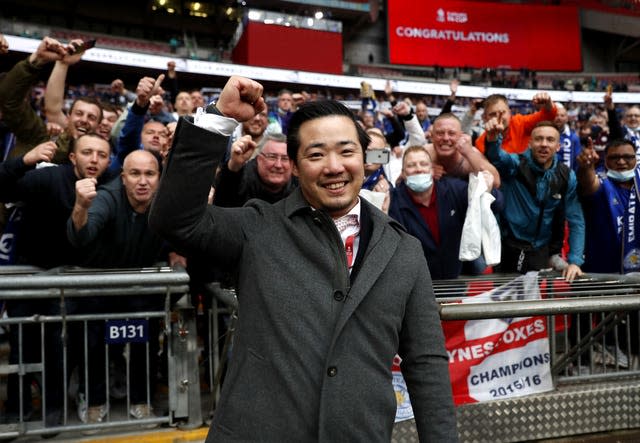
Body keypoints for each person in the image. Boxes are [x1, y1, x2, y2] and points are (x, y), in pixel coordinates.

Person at [149, 75, 458, 442]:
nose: (333, 166)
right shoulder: (257, 228)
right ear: (295, 166)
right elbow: (174, 221)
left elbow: (426, 362)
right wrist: (221, 118)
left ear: (366, 158)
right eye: (315, 154)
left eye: (346, 152)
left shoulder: (404, 250)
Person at [0, 134, 114, 429]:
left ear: (109, 161)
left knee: (56, 346)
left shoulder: (110, 185)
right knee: (22, 343)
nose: (94, 159)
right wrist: (25, 160)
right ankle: (17, 407)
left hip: (69, 278)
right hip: (30, 274)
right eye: (87, 152)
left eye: (101, 155)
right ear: (73, 158)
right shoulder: (49, 178)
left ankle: (54, 410)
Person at [67, 150, 167, 426]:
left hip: (139, 289)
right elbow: (81, 235)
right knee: (93, 347)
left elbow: (182, 233)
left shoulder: (163, 202)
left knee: (144, 345)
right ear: (123, 178)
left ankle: (142, 399)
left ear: (159, 178)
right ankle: (94, 400)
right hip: (99, 288)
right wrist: (81, 207)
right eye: (135, 174)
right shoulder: (108, 197)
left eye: (150, 174)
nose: (143, 181)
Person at [484, 120, 585, 281]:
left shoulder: (566, 176)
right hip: (507, 247)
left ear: (558, 146)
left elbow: (576, 220)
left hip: (540, 250)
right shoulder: (515, 164)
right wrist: (492, 138)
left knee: (533, 303)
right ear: (530, 143)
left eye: (550, 140)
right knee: (503, 302)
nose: (544, 144)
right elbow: (497, 157)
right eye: (538, 139)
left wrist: (575, 261)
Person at [388, 146, 502, 280]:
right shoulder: (393, 201)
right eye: (411, 165)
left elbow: (498, 205)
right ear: (403, 173)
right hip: (415, 282)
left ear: (432, 170)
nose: (418, 169)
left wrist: (487, 191)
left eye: (424, 164)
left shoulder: (453, 189)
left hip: (453, 280)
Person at [0, 37, 103, 162]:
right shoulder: (42, 137)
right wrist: (38, 59)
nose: (84, 120)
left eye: (92, 117)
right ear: (68, 118)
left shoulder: (101, 159)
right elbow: (9, 100)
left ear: (98, 126)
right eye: (79, 114)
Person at [577, 138, 640, 273]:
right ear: (605, 160)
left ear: (636, 159)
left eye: (627, 157)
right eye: (614, 157)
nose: (621, 162)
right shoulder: (601, 181)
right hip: (604, 270)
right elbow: (588, 183)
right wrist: (586, 167)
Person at [214, 132, 296, 207]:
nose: (278, 165)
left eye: (285, 159)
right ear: (259, 159)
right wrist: (234, 166)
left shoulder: (299, 187)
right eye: (272, 157)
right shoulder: (242, 179)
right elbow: (222, 201)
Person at [427, 113, 501, 187]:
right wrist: (425, 172)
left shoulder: (469, 154)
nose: (446, 138)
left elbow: (495, 182)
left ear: (460, 136)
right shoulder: (425, 153)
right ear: (432, 137)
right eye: (440, 133)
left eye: (451, 133)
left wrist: (469, 153)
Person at [475, 92, 557, 155]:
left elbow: (548, 116)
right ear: (485, 118)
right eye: (493, 114)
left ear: (510, 113)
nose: (498, 117)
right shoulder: (480, 143)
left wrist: (548, 105)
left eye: (502, 112)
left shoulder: (520, 123)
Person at [554, 103, 581, 170]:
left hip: (567, 176)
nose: (559, 118)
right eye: (556, 115)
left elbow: (577, 160)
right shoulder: (546, 134)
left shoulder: (573, 137)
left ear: (567, 119)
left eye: (562, 115)